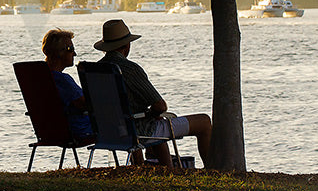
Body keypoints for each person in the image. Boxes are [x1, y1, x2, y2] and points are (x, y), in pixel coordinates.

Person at [93, 18, 212, 167]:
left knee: (156, 122)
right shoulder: (129, 69)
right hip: (138, 131)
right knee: (204, 122)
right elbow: (160, 106)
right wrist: (151, 114)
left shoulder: (95, 70)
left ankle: (165, 169)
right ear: (127, 45)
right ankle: (211, 170)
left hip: (108, 132)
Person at [41, 28, 94, 141]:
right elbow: (85, 103)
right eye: (71, 49)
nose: (74, 53)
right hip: (79, 130)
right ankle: (137, 158)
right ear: (59, 52)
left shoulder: (39, 78)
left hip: (48, 132)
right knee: (125, 123)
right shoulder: (62, 80)